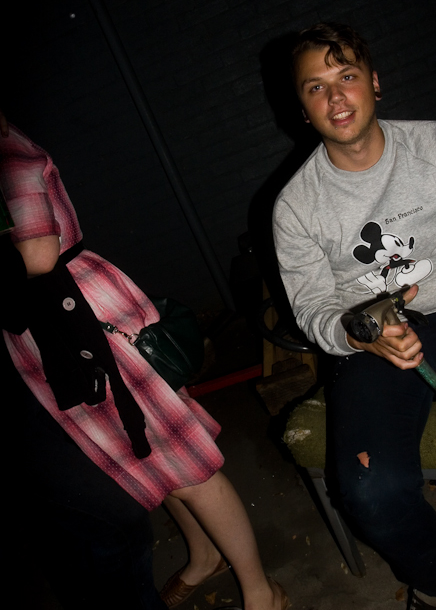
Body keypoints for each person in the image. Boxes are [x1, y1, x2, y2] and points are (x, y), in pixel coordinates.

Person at [1, 122, 289, 610]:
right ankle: (205, 556)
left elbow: (37, 254)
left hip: (79, 320)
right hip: (52, 329)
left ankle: (262, 592)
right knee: (149, 458)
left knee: (185, 463)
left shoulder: (9, 159)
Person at [272, 22, 436, 610]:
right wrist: (359, 335)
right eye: (316, 87)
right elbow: (312, 308)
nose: (335, 97)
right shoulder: (295, 207)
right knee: (371, 491)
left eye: (346, 76)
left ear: (374, 82)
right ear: (302, 107)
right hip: (373, 341)